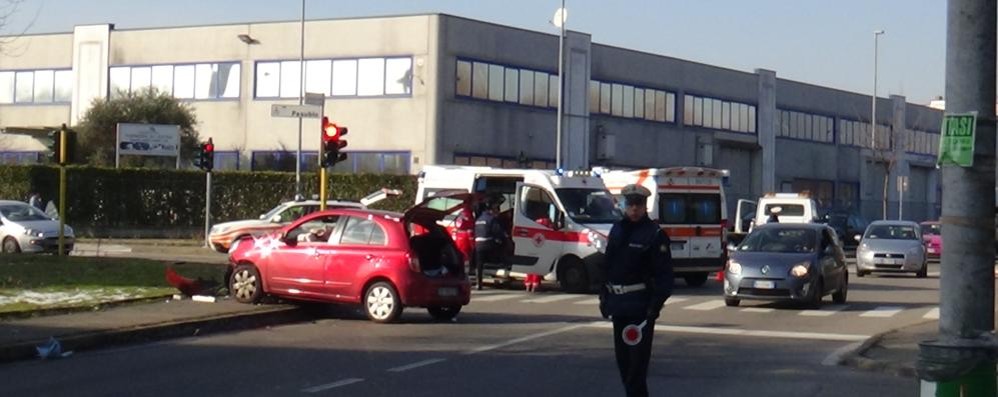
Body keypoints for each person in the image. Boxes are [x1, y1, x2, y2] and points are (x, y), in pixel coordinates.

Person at [599, 184, 673, 397]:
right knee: (623, 365)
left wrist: (655, 306)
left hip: (640, 307)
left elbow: (664, 274)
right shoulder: (617, 229)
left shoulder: (654, 234)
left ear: (645, 206)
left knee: (636, 370)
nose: (634, 209)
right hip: (619, 306)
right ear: (623, 205)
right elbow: (608, 266)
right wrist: (604, 298)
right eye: (630, 204)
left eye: (638, 205)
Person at [474, 194, 510, 278]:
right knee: (503, 243)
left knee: (479, 263)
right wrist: (505, 237)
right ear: (491, 210)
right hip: (488, 244)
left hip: (478, 245)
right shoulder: (491, 219)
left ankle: (479, 283)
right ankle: (503, 264)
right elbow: (498, 232)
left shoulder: (479, 219)